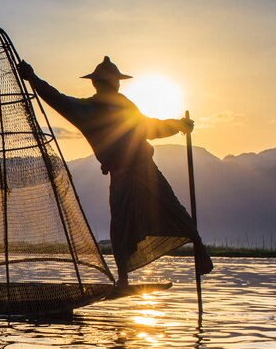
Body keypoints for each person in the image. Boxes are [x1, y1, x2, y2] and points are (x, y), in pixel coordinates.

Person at [17, 56, 213, 285]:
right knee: (128, 223)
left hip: (142, 170)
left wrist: (178, 125)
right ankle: (125, 277)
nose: (115, 85)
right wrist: (33, 78)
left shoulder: (113, 108)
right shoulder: (89, 109)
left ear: (97, 84)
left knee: (161, 213)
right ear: (110, 84)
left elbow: (150, 127)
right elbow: (56, 98)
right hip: (125, 174)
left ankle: (197, 254)